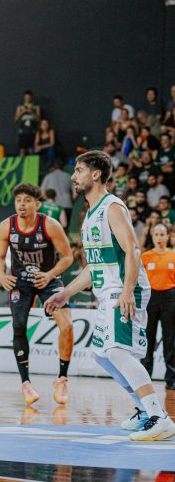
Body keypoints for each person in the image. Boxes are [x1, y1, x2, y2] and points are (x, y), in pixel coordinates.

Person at [45, 150, 174, 441]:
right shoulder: (90, 215)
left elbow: (133, 250)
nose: (73, 177)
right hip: (107, 291)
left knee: (117, 351)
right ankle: (146, 410)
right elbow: (94, 267)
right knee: (102, 355)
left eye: (79, 170)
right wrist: (65, 294)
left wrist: (127, 291)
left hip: (123, 289)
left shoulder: (112, 207)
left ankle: (159, 417)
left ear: (96, 174)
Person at [0, 183, 74, 406]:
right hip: (20, 282)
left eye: (27, 200)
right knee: (19, 325)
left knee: (67, 326)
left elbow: (68, 257)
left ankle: (62, 379)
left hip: (47, 278)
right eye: (18, 200)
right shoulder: (5, 226)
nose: (22, 204)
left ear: (37, 204)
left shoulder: (50, 225)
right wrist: (1, 275)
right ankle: (26, 383)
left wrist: (50, 275)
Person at [140, 224, 175, 391]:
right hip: (151, 298)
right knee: (148, 339)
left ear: (167, 236)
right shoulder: (145, 257)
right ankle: (145, 377)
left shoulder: (173, 255)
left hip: (170, 298)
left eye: (162, 234)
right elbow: (139, 280)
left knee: (170, 340)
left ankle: (171, 379)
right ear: (152, 237)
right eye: (156, 234)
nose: (159, 237)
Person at [15, 91, 41, 157]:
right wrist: (22, 112)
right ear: (24, 98)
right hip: (23, 131)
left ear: (31, 98)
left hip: (32, 131)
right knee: (22, 150)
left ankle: (31, 162)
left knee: (31, 149)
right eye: (26, 97)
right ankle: (22, 162)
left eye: (29, 97)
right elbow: (16, 119)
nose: (27, 99)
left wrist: (31, 112)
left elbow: (38, 119)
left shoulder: (36, 107)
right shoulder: (20, 107)